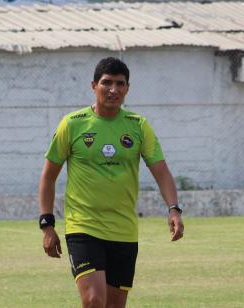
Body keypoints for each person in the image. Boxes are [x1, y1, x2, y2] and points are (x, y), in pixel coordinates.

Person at [38, 57, 184, 308]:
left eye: (120, 84)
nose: (113, 89)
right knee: (94, 300)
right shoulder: (72, 124)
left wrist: (174, 209)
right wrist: (47, 224)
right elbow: (48, 177)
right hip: (83, 227)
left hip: (123, 231)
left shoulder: (138, 126)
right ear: (94, 85)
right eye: (106, 83)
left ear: (128, 88)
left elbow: (161, 171)